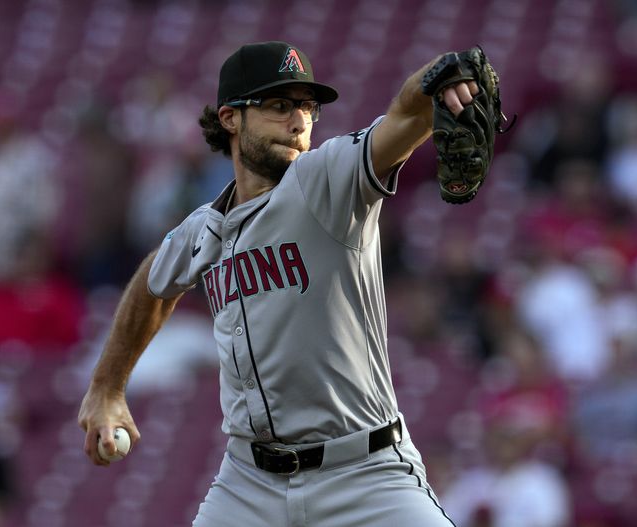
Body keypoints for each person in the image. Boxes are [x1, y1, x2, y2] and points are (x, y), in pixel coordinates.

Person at [78, 40, 478, 526]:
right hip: (249, 482)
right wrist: (108, 386)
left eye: (307, 108)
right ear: (230, 118)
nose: (298, 121)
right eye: (278, 106)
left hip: (364, 473)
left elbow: (405, 117)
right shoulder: (202, 228)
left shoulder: (325, 180)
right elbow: (152, 286)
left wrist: (437, 79)